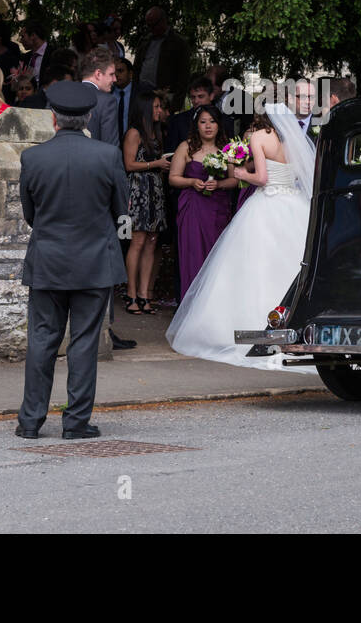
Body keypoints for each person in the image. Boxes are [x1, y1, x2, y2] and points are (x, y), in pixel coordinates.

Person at [165, 101, 316, 372]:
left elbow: (260, 177)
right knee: (292, 263)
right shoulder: (294, 142)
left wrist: (239, 172)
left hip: (267, 203)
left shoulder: (259, 137)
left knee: (254, 265)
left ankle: (254, 328)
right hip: (294, 204)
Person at [16, 81, 130, 440]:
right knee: (83, 343)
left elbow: (30, 213)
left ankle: (31, 420)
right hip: (94, 262)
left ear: (53, 119)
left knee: (42, 340)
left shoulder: (33, 158)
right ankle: (76, 421)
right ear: (89, 117)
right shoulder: (106, 156)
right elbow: (121, 210)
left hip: (48, 260)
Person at [168, 104, 237, 296]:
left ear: (219, 125)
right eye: (203, 122)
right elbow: (173, 177)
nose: (208, 126)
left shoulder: (227, 148)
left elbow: (234, 180)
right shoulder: (186, 146)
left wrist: (219, 185)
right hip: (193, 207)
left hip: (218, 209)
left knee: (215, 256)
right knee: (193, 254)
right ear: (196, 125)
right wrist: (191, 181)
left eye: (212, 122)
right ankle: (190, 302)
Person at [122, 91, 170, 314]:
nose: (159, 111)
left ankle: (144, 295)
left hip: (155, 191)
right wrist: (156, 164)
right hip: (138, 190)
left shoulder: (156, 133)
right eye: (156, 106)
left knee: (152, 241)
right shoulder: (134, 132)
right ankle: (130, 294)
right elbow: (129, 165)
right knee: (137, 241)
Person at [135, 6, 192, 108]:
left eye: (154, 24)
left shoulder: (178, 43)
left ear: (163, 21)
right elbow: (137, 67)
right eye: (149, 25)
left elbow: (184, 75)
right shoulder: (145, 41)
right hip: (143, 92)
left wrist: (176, 101)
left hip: (166, 95)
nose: (151, 28)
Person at [78, 47, 121, 145]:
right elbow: (110, 147)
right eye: (111, 74)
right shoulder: (107, 102)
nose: (115, 79)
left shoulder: (63, 95)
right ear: (98, 74)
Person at [113, 56, 153, 139]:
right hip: (111, 143)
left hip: (135, 142)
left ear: (130, 74)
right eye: (113, 72)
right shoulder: (107, 93)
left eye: (120, 71)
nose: (116, 75)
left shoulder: (141, 93)